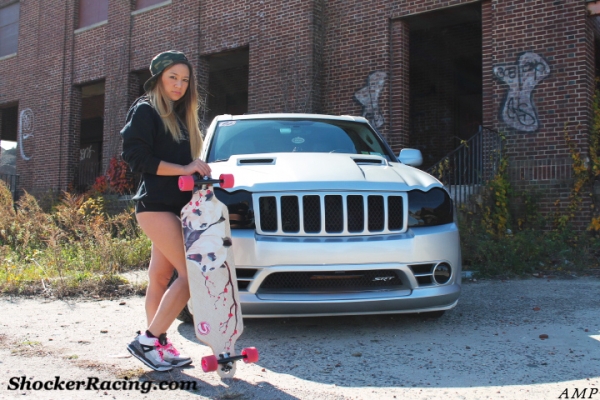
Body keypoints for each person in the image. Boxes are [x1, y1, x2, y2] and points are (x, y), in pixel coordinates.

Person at [121, 50, 211, 371]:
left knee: (159, 277)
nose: (179, 85)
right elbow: (134, 157)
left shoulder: (182, 117)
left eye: (185, 80)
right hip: (155, 207)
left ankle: (158, 345)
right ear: (158, 78)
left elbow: (186, 169)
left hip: (176, 208)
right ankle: (147, 340)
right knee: (190, 275)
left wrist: (198, 172)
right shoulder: (146, 110)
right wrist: (184, 168)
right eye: (173, 77)